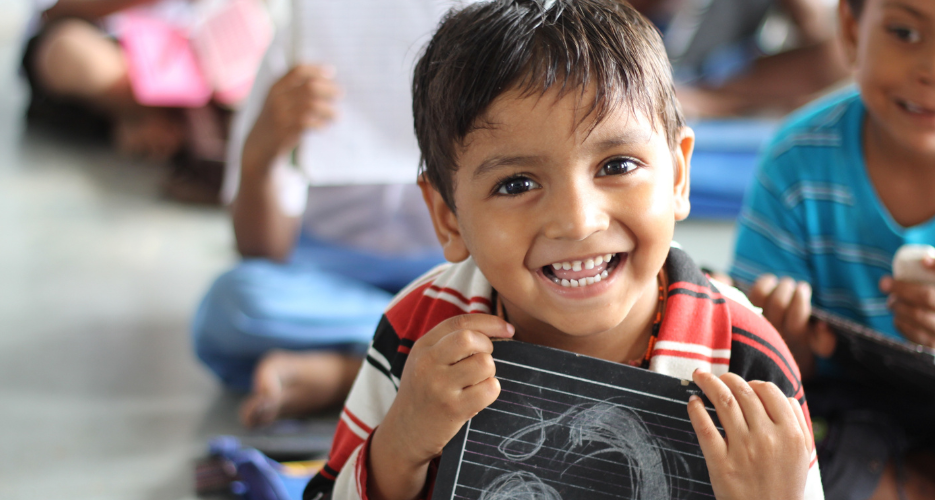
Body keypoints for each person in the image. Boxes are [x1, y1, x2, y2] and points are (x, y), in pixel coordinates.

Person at [303, 0, 824, 498]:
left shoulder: (746, 362)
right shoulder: (419, 333)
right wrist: (401, 444)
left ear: (679, 176)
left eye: (617, 166)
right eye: (516, 184)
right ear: (447, 216)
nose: (577, 222)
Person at [730, 0, 935, 498]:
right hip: (843, 413)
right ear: (850, 29)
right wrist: (787, 350)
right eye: (905, 33)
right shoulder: (796, 163)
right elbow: (747, 354)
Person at [191, 40, 445, 424]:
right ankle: (425, 350)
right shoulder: (299, 42)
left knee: (533, 302)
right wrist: (262, 157)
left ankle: (347, 372)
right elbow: (260, 249)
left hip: (453, 267)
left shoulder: (496, 36)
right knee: (236, 302)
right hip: (327, 274)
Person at [22, 0, 186, 161]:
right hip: (113, 59)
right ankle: (140, 116)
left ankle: (161, 124)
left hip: (187, 65)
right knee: (69, 49)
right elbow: (54, 12)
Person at [628, 0, 850, 118]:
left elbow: (833, 55)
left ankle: (705, 103)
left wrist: (707, 103)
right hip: (641, 77)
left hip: (710, 85)